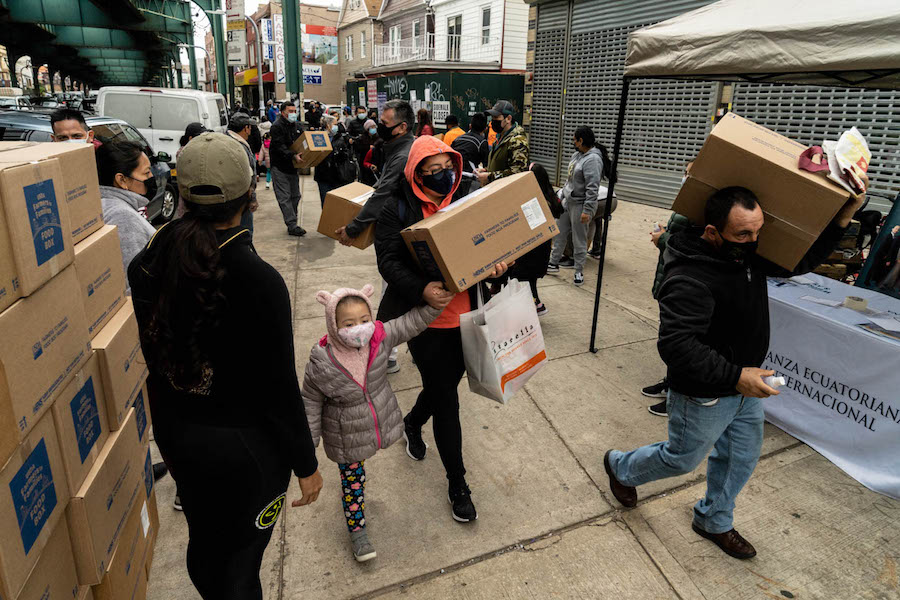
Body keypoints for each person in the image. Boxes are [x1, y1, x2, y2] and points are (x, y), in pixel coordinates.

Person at [603, 182, 867, 560]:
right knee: (682, 458)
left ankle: (714, 519)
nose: (754, 240)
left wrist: (842, 218)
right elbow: (677, 346)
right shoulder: (690, 278)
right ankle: (621, 467)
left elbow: (799, 261)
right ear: (712, 232)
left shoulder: (744, 254)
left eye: (758, 231)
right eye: (744, 233)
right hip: (704, 393)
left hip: (745, 387)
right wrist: (735, 376)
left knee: (740, 457)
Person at [127, 133, 322, 599]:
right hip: (244, 454)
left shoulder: (150, 257)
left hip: (177, 434)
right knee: (241, 561)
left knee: (206, 540)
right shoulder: (259, 281)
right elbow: (278, 391)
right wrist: (306, 463)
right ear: (251, 193)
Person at [375, 135, 509, 522]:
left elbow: (496, 242)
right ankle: (458, 484)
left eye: (445, 168)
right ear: (416, 174)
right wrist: (422, 289)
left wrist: (501, 266)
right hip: (426, 321)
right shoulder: (397, 207)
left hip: (471, 317)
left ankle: (413, 423)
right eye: (430, 172)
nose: (440, 176)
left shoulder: (469, 194)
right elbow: (388, 260)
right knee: (447, 402)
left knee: (443, 388)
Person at [302, 284, 449, 561]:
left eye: (364, 320)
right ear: (333, 326)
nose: (359, 328)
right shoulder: (322, 360)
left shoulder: (379, 338)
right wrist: (306, 449)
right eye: (348, 323)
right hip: (346, 434)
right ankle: (358, 532)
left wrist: (435, 305)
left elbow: (410, 323)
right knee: (353, 481)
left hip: (379, 421)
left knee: (355, 478)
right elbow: (310, 403)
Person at [336, 100, 416, 373]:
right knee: (400, 293)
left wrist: (353, 228)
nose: (379, 126)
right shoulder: (397, 148)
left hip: (397, 237)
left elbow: (382, 194)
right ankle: (406, 349)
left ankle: (386, 355)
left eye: (385, 123)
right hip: (396, 232)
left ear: (402, 127)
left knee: (392, 296)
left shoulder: (404, 154)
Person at [643, 163, 695, 416]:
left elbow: (690, 245)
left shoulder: (700, 206)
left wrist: (662, 239)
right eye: (684, 173)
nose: (684, 178)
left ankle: (677, 396)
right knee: (668, 335)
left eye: (690, 174)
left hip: (682, 279)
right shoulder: (687, 203)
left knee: (678, 340)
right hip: (670, 273)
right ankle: (669, 383)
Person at [95, 141, 158, 291]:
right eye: (146, 172)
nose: (151, 177)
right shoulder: (123, 218)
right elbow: (134, 283)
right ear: (122, 180)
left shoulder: (104, 204)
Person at [547, 125, 604, 286]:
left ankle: (579, 271)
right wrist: (562, 195)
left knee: (579, 238)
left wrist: (587, 210)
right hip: (568, 202)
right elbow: (569, 178)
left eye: (575, 139)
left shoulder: (593, 160)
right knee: (559, 232)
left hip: (580, 204)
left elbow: (592, 187)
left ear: (581, 140)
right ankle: (553, 263)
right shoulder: (577, 155)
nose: (573, 142)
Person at [508, 163, 563, 316]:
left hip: (532, 248)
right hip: (542, 247)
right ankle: (536, 303)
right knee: (530, 279)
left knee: (522, 277)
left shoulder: (534, 199)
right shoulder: (550, 196)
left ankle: (535, 305)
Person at [269, 101, 307, 237]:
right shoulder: (276, 127)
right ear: (283, 112)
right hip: (280, 166)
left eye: (294, 110)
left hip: (292, 167)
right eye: (290, 111)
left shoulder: (296, 126)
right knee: (284, 197)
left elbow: (303, 140)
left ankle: (293, 220)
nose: (293, 113)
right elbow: (279, 147)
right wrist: (293, 155)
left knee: (295, 196)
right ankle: (292, 225)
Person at [476, 100, 528, 186]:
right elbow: (501, 165)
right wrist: (486, 170)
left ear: (508, 119)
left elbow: (518, 173)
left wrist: (489, 176)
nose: (492, 121)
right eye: (492, 118)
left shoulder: (518, 140)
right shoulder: (500, 138)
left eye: (496, 118)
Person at [226, 113, 261, 236]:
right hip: (241, 199)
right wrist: (252, 199)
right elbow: (248, 177)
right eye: (250, 127)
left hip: (227, 197)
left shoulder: (225, 140)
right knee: (245, 232)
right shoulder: (240, 146)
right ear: (246, 128)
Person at [314, 114, 355, 207]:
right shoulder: (318, 137)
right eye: (335, 124)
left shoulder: (340, 137)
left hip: (337, 175)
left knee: (337, 203)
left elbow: (346, 154)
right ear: (328, 125)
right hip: (323, 175)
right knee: (326, 202)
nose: (337, 126)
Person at [450, 113, 489, 200]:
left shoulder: (458, 139)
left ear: (470, 126)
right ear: (485, 128)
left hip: (452, 178)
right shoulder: (482, 142)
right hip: (468, 181)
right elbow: (487, 165)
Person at [359, 119, 378, 186]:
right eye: (371, 127)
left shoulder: (377, 137)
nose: (374, 129)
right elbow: (360, 149)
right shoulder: (362, 138)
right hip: (365, 161)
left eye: (374, 126)